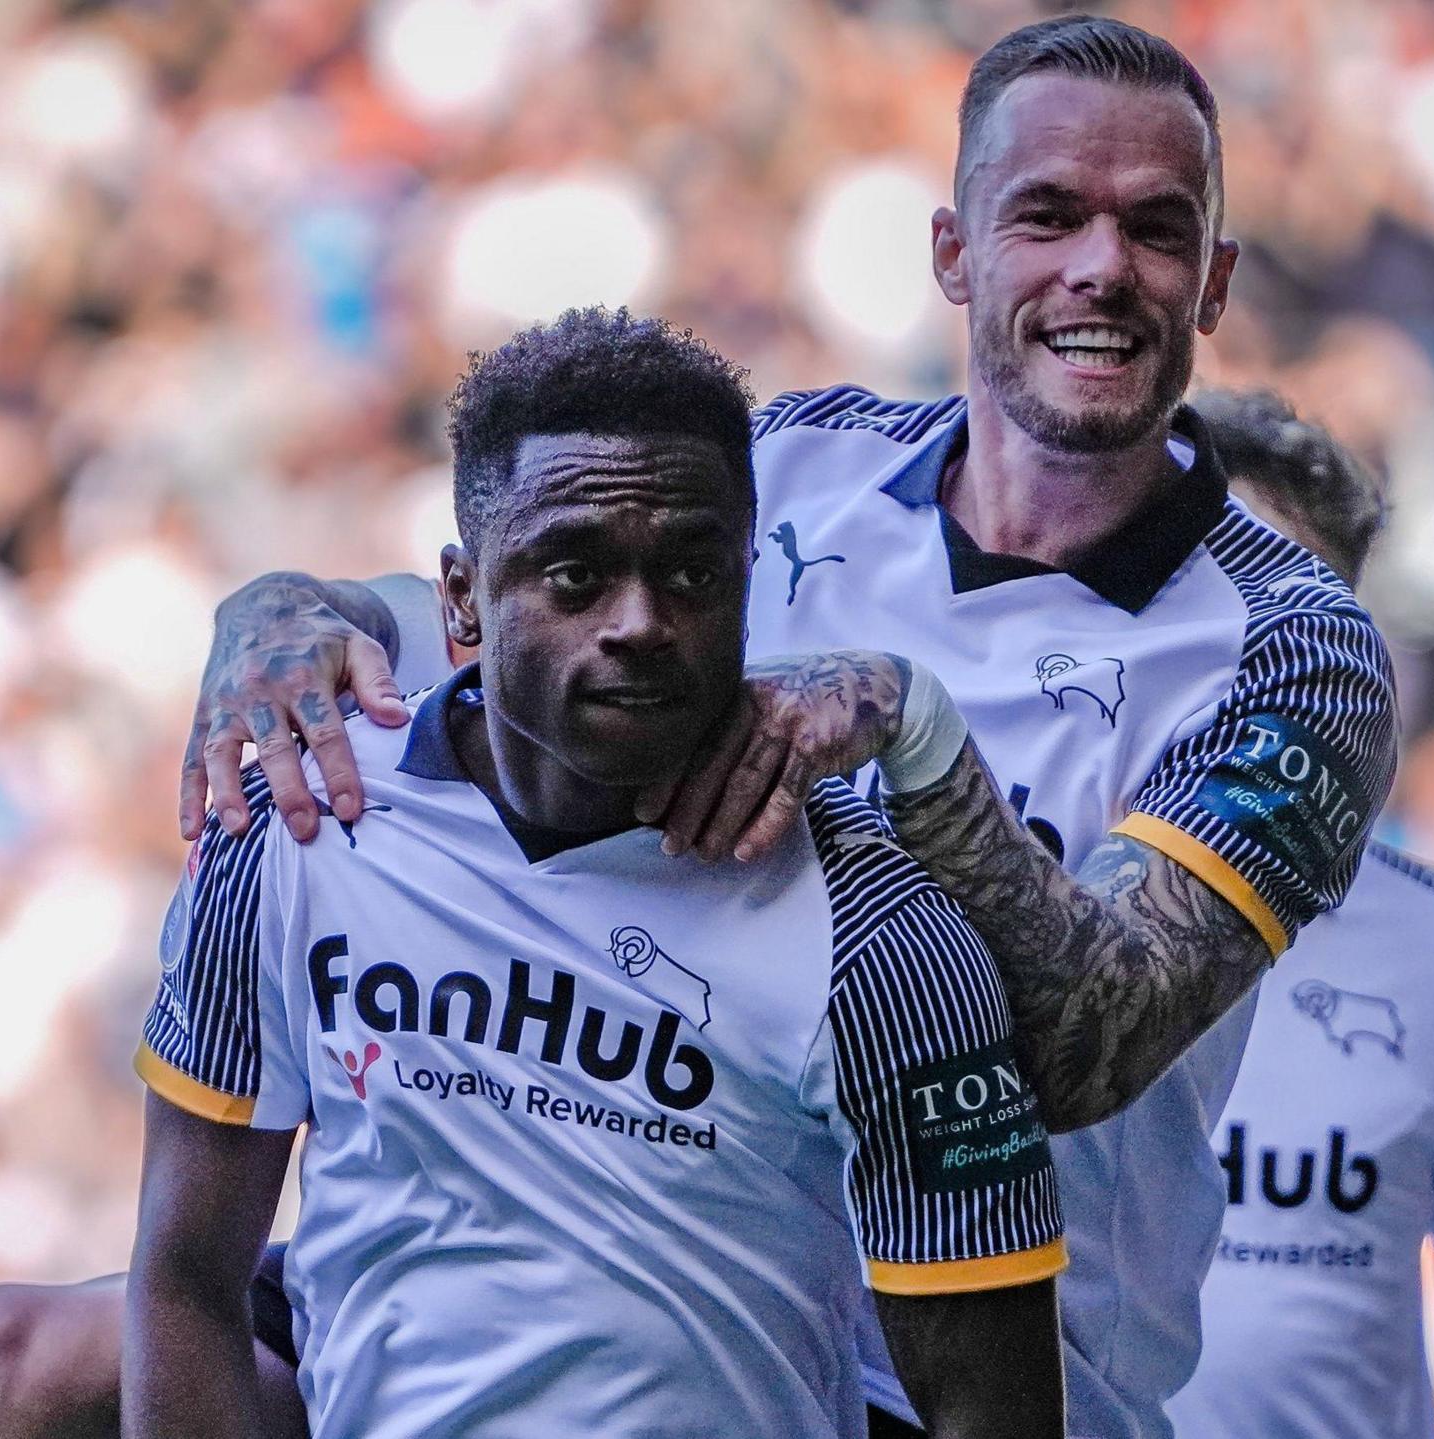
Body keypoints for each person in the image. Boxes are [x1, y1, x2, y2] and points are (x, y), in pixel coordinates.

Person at [0, 17, 1398, 1439]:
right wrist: (276, 615)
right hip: (576, 1206)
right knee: (9, 1360)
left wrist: (912, 737)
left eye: (1156, 229)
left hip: (924, 1349)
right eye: (1050, 215)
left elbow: (1092, 1044)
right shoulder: (799, 457)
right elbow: (473, 614)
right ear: (953, 251)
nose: (1102, 267)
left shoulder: (1294, 650)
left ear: (1214, 279)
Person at [127, 308, 1066, 1439]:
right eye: (574, 573)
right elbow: (184, 1282)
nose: (641, 623)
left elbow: (994, 1414)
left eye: (691, 572)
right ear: (462, 601)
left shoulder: (878, 938)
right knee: (11, 1350)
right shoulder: (299, 821)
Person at [1167, 393, 1434, 1439]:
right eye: (1187, 593)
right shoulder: (1007, 892)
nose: (1228, 646)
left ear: (1339, 649)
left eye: (1277, 609)